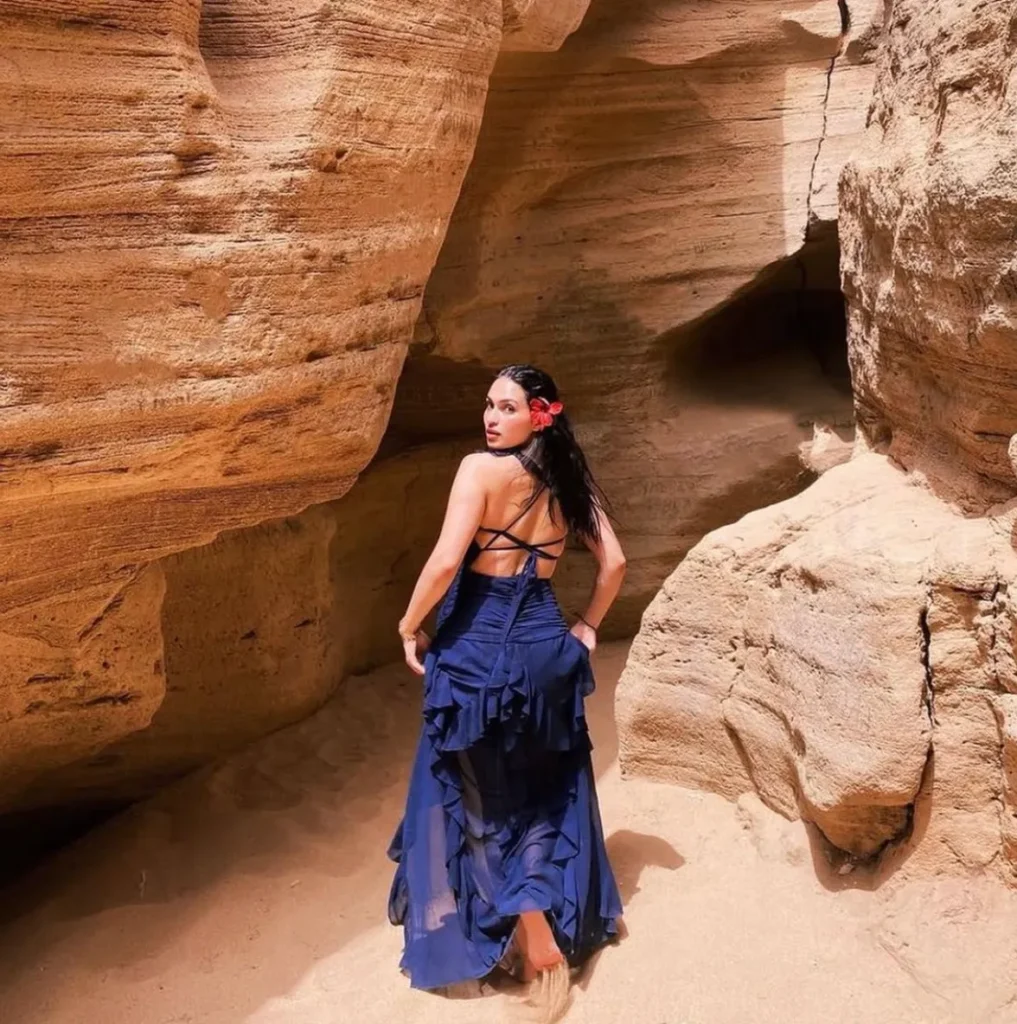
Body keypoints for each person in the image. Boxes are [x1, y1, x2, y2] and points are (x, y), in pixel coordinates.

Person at [386, 363, 626, 1021]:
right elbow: (615, 563)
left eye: (506, 407)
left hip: (479, 653)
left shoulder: (479, 471)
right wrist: (585, 625)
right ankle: (539, 924)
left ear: (536, 415)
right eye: (488, 405)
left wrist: (409, 625)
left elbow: (443, 563)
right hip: (546, 649)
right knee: (541, 791)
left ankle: (538, 944)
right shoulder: (567, 478)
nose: (491, 417)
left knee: (478, 799)